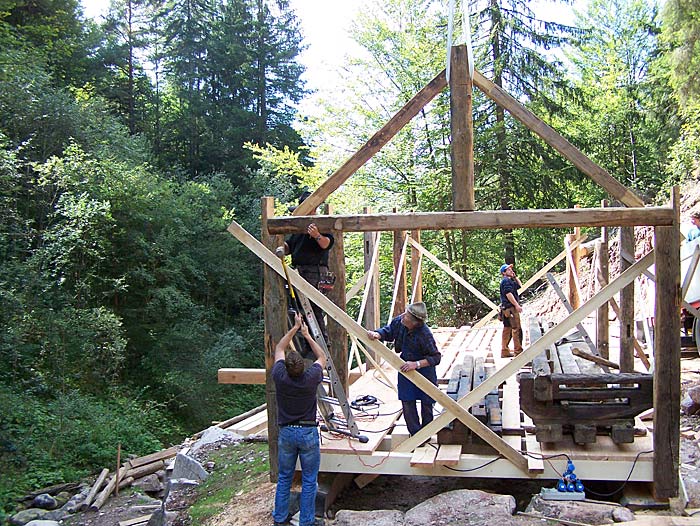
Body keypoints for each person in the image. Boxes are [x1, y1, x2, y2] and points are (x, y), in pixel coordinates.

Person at [271, 313, 325, 526]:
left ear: (285, 367)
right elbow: (322, 357)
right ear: (303, 365)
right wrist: (307, 335)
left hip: (286, 433)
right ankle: (306, 522)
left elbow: (279, 349)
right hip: (307, 432)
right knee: (309, 480)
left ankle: (280, 519)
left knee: (285, 477)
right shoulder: (311, 378)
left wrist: (294, 328)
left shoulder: (280, 376)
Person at [367, 302, 441, 436]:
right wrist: (378, 334)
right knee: (407, 401)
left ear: (415, 322)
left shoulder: (424, 334)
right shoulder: (400, 322)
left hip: (424, 371)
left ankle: (426, 434)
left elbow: (436, 358)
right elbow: (389, 331)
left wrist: (416, 364)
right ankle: (416, 435)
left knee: (426, 403)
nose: (403, 316)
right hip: (405, 367)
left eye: (407, 316)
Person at [276, 189, 335, 343]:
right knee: (298, 309)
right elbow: (290, 246)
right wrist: (282, 247)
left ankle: (321, 343)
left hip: (315, 272)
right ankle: (305, 343)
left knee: (314, 309)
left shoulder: (321, 224)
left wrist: (316, 235)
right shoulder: (299, 227)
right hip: (300, 271)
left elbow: (326, 244)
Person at [499, 263, 523, 358]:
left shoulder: (509, 280)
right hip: (510, 309)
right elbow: (509, 294)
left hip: (506, 309)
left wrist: (514, 276)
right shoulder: (505, 281)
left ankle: (504, 351)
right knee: (516, 328)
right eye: (508, 270)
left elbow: (519, 285)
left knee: (507, 329)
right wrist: (516, 305)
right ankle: (518, 351)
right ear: (504, 273)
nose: (511, 271)